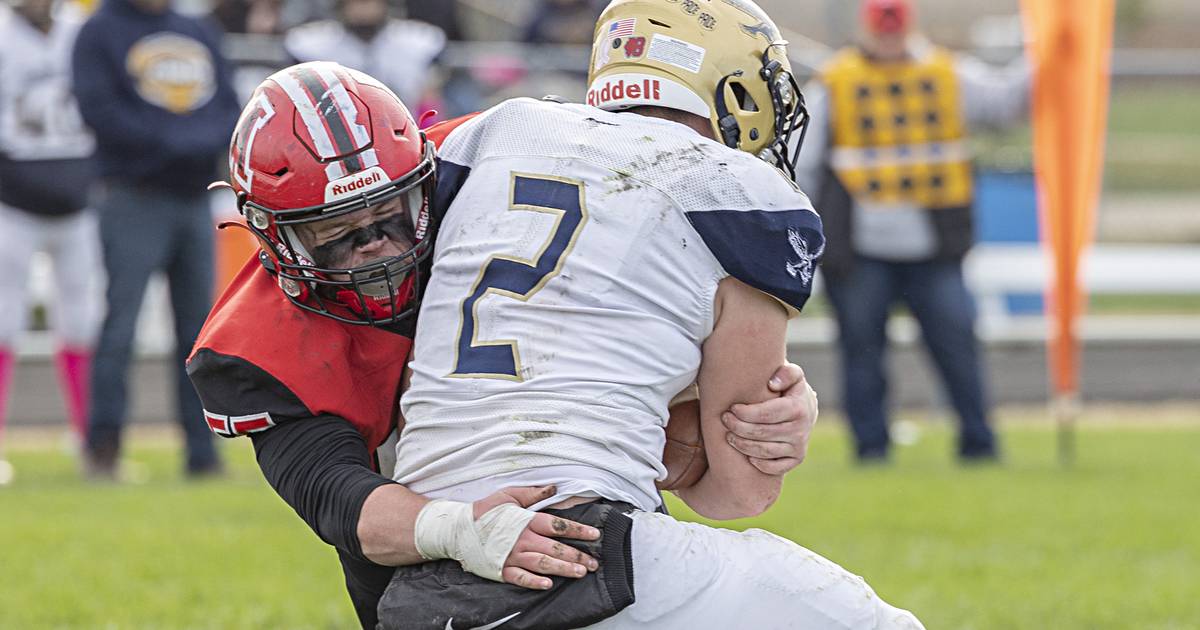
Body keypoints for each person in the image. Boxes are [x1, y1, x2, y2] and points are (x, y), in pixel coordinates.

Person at [186, 60, 820, 629]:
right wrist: (461, 529)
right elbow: (337, 499)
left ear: (425, 181)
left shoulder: (483, 167)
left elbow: (617, 331)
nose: (376, 247)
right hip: (421, 569)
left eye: (392, 214)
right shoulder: (255, 347)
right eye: (335, 234)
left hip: (584, 506)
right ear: (268, 236)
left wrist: (761, 399)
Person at [376, 0, 923, 627]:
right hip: (575, 557)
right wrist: (784, 422)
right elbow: (738, 492)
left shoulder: (490, 136)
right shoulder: (733, 190)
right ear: (732, 83)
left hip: (425, 558)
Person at [795, 0, 1030, 463]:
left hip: (933, 248)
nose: (888, 38)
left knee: (958, 349)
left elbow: (1006, 101)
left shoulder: (948, 74)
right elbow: (805, 166)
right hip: (860, 252)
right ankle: (871, 451)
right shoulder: (834, 83)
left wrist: (1054, 52)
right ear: (867, 28)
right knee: (862, 356)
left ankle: (979, 446)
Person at [72, 0, 242, 478]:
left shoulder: (195, 28)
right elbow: (99, 109)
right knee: (120, 328)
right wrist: (178, 141)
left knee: (199, 333)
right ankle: (103, 451)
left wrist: (192, 143)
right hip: (132, 195)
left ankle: (202, 456)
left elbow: (227, 104)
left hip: (193, 198)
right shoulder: (99, 31)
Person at [0, 0, 99, 484]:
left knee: (83, 320)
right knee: (3, 320)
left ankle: (90, 440)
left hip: (77, 199)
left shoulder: (79, 30)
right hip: (12, 202)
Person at [284, 0, 445, 119]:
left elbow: (429, 96)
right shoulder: (312, 44)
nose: (363, 9)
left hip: (403, 124)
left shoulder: (418, 41)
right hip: (335, 128)